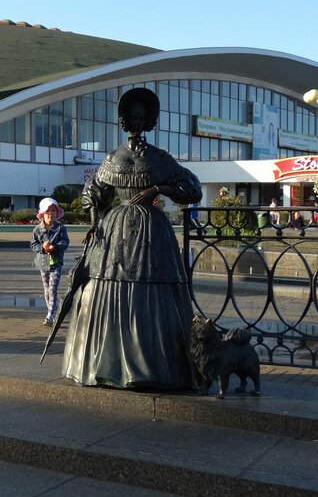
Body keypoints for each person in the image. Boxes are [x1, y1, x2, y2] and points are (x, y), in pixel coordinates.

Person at [61, 87, 201, 390]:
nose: (136, 122)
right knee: (107, 285)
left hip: (153, 232)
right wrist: (94, 221)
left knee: (153, 289)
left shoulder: (160, 158)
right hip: (116, 231)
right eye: (132, 117)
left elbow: (192, 188)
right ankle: (106, 364)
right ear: (125, 120)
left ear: (148, 120)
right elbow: (94, 193)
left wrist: (159, 189)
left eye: (141, 117)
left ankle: (155, 366)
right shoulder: (113, 157)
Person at [31, 198, 70, 327]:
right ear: (42, 214)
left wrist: (55, 247)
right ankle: (52, 310)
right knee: (47, 289)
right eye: (48, 211)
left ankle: (50, 315)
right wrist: (42, 248)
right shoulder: (37, 230)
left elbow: (65, 242)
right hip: (43, 263)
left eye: (53, 211)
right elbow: (33, 244)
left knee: (53, 289)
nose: (51, 214)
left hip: (56, 263)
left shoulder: (60, 228)